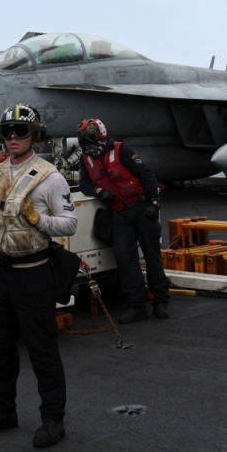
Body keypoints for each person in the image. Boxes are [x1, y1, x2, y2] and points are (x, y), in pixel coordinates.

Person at [0, 104, 78, 449]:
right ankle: (3, 411)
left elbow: (70, 223)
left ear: (35, 135)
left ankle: (53, 420)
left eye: (20, 131)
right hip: (1, 272)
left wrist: (39, 221)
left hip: (34, 275)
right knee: (1, 350)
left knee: (42, 351)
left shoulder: (50, 177)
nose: (13, 137)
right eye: (7, 131)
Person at [77, 118, 169, 322]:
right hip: (118, 213)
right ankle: (136, 307)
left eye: (87, 135)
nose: (84, 140)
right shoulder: (86, 159)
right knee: (126, 261)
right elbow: (84, 185)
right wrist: (98, 190)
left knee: (152, 257)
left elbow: (146, 175)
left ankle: (161, 301)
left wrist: (153, 204)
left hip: (141, 208)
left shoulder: (120, 150)